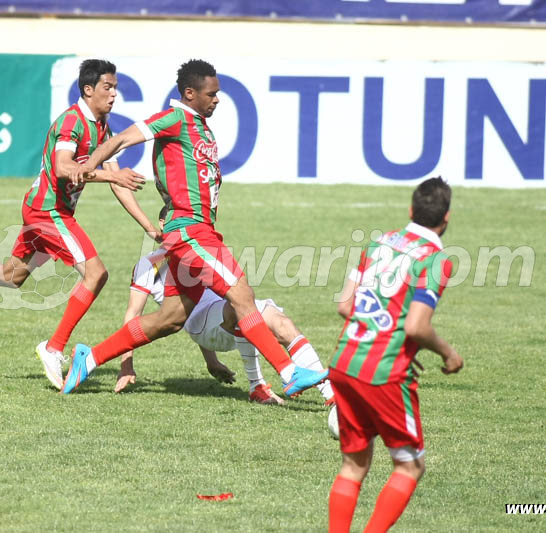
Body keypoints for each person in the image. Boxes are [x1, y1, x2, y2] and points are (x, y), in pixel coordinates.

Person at [59, 59, 328, 397]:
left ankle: (90, 358)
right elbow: (122, 140)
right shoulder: (174, 118)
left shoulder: (201, 126)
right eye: (211, 94)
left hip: (196, 230)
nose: (217, 100)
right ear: (190, 93)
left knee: (169, 319)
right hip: (189, 230)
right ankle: (289, 372)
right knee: (242, 294)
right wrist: (90, 167)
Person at [0, 59, 157, 390]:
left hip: (47, 211)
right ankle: (54, 348)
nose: (114, 94)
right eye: (107, 87)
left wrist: (148, 226)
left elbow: (118, 183)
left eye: (115, 88)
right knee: (97, 273)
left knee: (10, 276)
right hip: (47, 212)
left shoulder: (102, 126)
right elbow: (62, 168)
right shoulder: (72, 122)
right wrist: (111, 173)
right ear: (88, 90)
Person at [327, 177, 464, 533]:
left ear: (410, 210)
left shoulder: (378, 242)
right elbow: (416, 327)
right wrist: (449, 354)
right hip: (382, 372)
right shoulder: (435, 259)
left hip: (344, 361)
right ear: (446, 218)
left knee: (353, 466)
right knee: (409, 466)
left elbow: (345, 305)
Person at [114, 204, 336, 406]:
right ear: (164, 224)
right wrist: (126, 364)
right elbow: (135, 314)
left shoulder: (199, 246)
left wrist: (211, 362)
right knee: (238, 306)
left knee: (282, 323)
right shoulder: (148, 264)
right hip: (204, 326)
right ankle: (258, 386)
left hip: (221, 314)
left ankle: (332, 396)